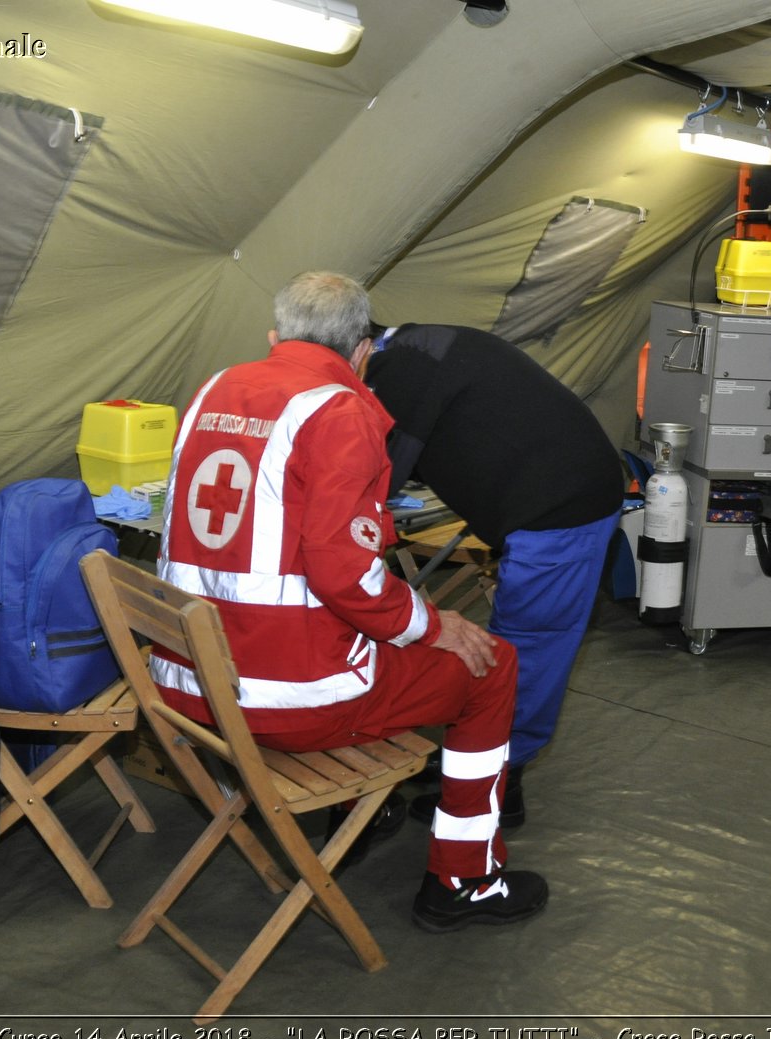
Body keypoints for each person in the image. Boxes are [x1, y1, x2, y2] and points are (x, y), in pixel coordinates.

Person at [150, 270, 546, 932]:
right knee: (491, 664)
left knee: (378, 637)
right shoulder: (341, 410)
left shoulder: (211, 390)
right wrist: (432, 623)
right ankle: (464, 878)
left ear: (274, 337)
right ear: (363, 349)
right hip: (281, 702)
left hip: (185, 680)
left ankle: (369, 807)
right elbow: (345, 577)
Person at [365, 322, 622, 827]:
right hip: (548, 491)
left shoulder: (398, 372)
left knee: (525, 648)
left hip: (562, 508)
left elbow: (375, 479)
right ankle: (476, 762)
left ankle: (497, 787)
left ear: (358, 348)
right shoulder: (418, 344)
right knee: (512, 642)